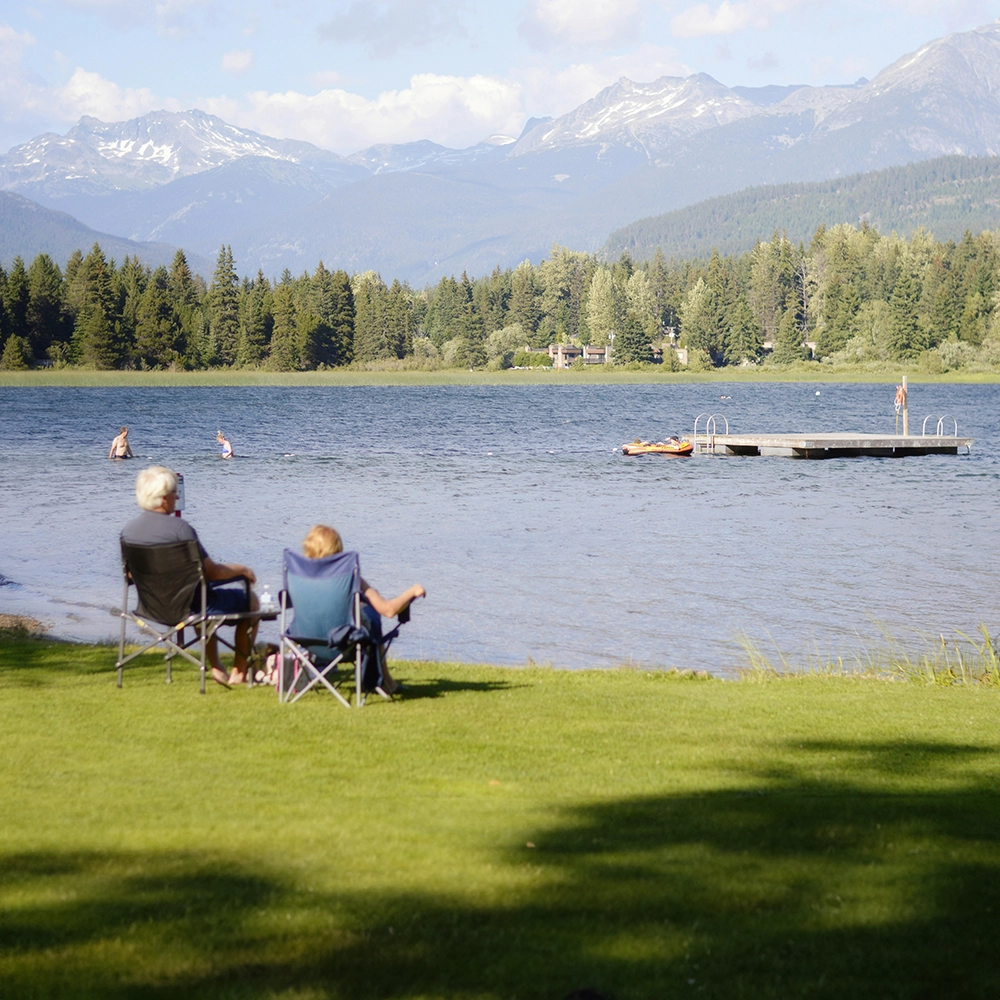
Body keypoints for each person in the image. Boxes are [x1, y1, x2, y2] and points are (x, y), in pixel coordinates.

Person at [121, 465, 260, 687]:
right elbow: (212, 572)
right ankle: (239, 672)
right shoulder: (181, 530)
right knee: (250, 601)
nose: (177, 496)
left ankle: (216, 666)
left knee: (197, 595)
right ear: (163, 497)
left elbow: (129, 575)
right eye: (174, 492)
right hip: (189, 607)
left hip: (152, 607)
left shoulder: (129, 531)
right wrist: (242, 570)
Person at [300, 524, 425, 695]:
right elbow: (388, 610)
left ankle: (326, 667)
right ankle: (385, 683)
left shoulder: (300, 579)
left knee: (364, 614)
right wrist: (412, 591)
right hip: (344, 646)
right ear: (338, 551)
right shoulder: (350, 579)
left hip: (309, 642)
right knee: (370, 615)